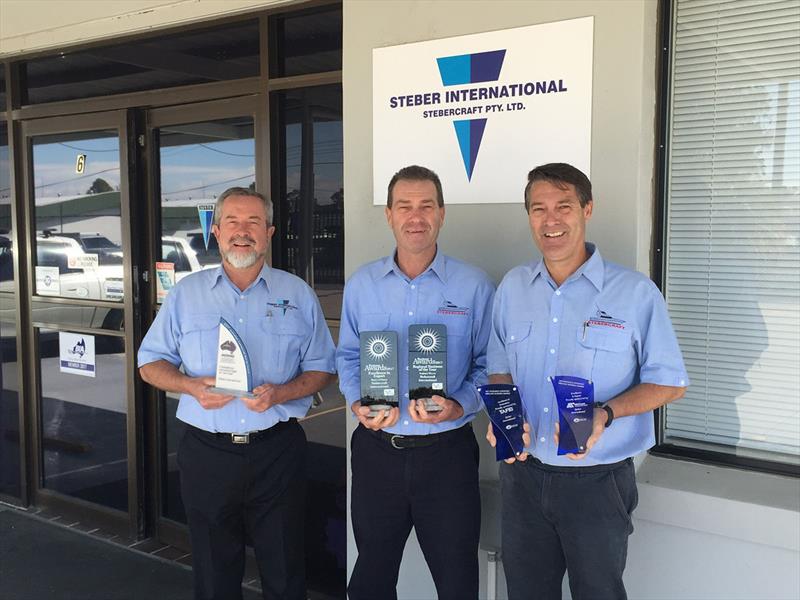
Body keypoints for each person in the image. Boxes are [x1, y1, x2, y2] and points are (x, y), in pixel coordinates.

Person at [487, 163, 688, 600]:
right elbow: (499, 365)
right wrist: (502, 412)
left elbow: (670, 383)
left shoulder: (635, 293)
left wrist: (606, 413)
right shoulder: (513, 287)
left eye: (563, 206)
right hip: (523, 479)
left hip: (597, 485)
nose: (550, 219)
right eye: (538, 208)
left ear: (587, 209)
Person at [138, 187, 336, 600]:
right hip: (207, 452)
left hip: (277, 451)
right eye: (232, 222)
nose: (242, 232)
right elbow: (149, 364)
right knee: (214, 573)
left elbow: (322, 369)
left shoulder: (297, 293)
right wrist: (191, 386)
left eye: (253, 223)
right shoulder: (186, 294)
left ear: (270, 232)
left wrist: (281, 393)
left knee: (284, 570)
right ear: (216, 231)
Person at [336, 165, 494, 600]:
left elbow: (490, 365)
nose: (416, 216)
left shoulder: (474, 285)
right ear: (389, 214)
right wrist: (356, 402)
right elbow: (348, 355)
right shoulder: (362, 285)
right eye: (404, 206)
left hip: (447, 457)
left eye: (426, 205)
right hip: (376, 454)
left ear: (442, 213)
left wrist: (460, 405)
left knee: (457, 580)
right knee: (371, 579)